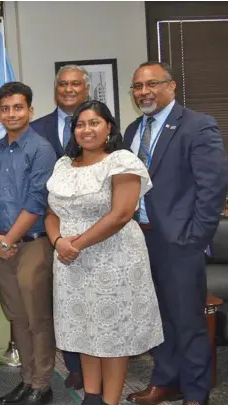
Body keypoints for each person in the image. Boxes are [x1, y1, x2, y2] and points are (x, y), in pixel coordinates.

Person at [45, 100, 164, 405]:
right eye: (80, 124)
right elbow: (51, 211)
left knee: (113, 332)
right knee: (85, 327)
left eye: (94, 123)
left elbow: (121, 213)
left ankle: (110, 400)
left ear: (108, 126)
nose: (87, 130)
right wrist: (59, 242)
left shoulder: (122, 161)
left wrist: (76, 244)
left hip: (114, 258)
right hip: (71, 260)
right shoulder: (63, 165)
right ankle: (92, 396)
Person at [122, 62, 228, 405]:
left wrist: (195, 238)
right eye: (137, 86)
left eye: (152, 84)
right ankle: (166, 380)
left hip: (180, 242)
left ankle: (196, 393)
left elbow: (213, 188)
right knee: (157, 319)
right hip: (141, 240)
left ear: (172, 87)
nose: (143, 92)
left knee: (188, 320)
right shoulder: (132, 130)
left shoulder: (197, 126)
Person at [0, 82, 58, 405]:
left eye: (18, 107)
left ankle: (42, 384)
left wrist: (8, 240)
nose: (12, 113)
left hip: (32, 245)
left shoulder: (41, 149)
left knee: (37, 317)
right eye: (6, 108)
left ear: (30, 110)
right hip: (2, 245)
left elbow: (36, 201)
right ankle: (27, 379)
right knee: (17, 318)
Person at [30, 64, 91, 389]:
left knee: (90, 300)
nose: (68, 89)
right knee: (60, 302)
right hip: (48, 227)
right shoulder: (36, 128)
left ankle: (93, 361)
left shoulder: (99, 128)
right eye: (63, 84)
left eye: (75, 84)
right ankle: (75, 367)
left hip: (93, 229)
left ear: (86, 89)